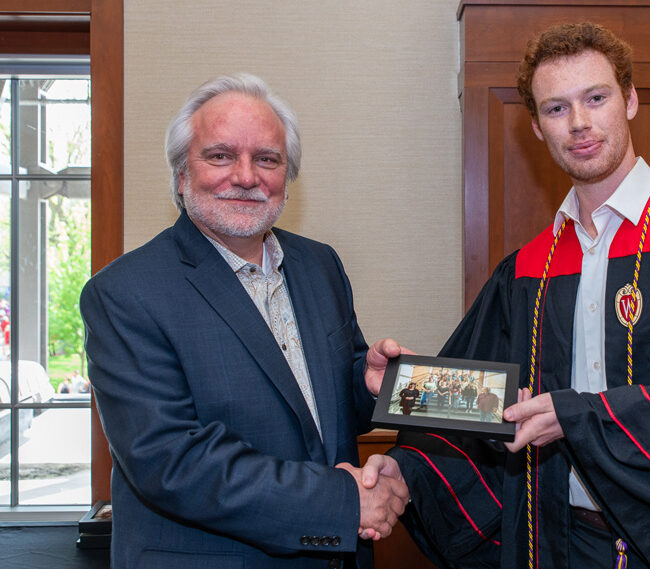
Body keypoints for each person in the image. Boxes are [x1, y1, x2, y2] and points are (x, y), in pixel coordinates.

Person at [361, 22, 650, 569]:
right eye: (555, 108)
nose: (578, 123)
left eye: (595, 98)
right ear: (535, 126)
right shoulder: (527, 270)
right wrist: (404, 393)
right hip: (559, 542)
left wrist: (578, 416)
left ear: (631, 100)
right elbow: (494, 406)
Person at [80, 73, 409, 569]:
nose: (246, 176)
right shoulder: (124, 293)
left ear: (287, 175)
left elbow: (320, 409)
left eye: (267, 159)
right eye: (220, 155)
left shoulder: (320, 265)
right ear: (180, 174)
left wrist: (367, 384)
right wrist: (343, 501)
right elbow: (171, 461)